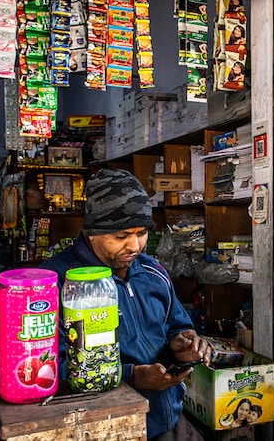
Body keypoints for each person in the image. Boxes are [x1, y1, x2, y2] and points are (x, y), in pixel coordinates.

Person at [40, 169, 209, 441]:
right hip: (100, 429)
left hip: (167, 422)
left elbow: (177, 326)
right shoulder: (56, 283)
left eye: (142, 233)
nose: (135, 246)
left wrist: (183, 344)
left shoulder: (152, 272)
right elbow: (49, 368)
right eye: (121, 236)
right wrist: (130, 377)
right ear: (92, 232)